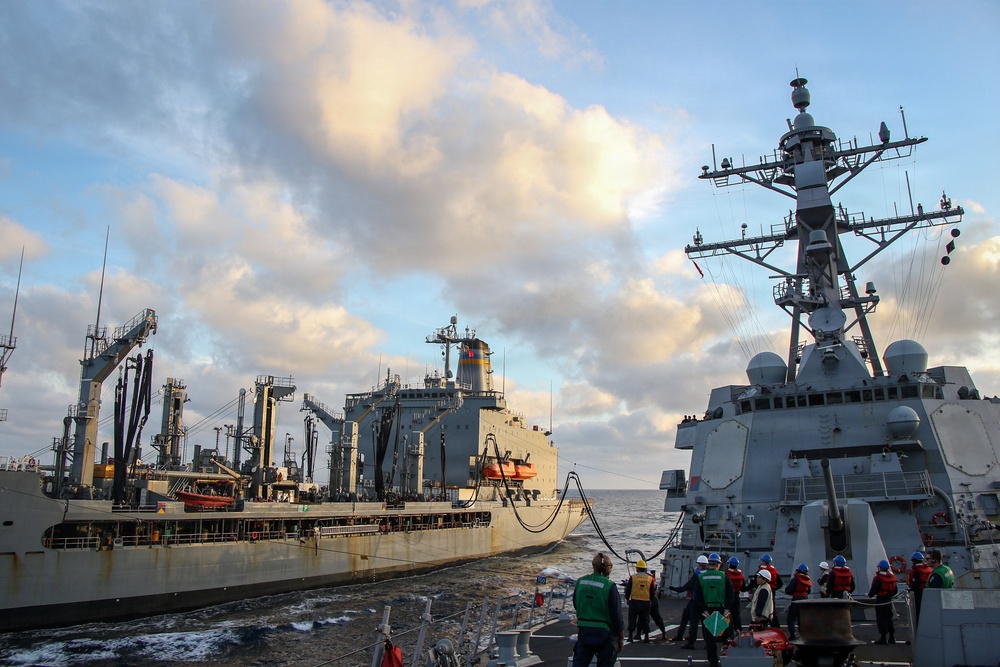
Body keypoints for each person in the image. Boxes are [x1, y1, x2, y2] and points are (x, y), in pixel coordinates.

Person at [571, 552, 624, 667]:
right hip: (604, 633)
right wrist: (621, 637)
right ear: (604, 567)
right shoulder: (609, 586)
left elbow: (576, 604)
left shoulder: (580, 582)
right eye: (610, 566)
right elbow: (616, 616)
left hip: (584, 632)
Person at [692, 553, 734, 667]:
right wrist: (727, 609)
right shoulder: (724, 576)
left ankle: (713, 662)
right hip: (722, 610)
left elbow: (697, 596)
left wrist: (704, 610)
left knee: (710, 639)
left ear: (708, 564)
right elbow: (730, 594)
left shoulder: (701, 577)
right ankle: (728, 659)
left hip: (708, 611)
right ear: (718, 564)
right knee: (727, 636)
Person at [669, 554, 708, 648]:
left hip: (695, 602)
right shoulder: (708, 575)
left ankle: (691, 642)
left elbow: (687, 586)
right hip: (706, 603)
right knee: (705, 623)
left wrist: (675, 589)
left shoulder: (697, 575)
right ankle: (707, 643)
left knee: (693, 623)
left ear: (699, 564)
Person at [867, 559, 897, 644]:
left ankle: (883, 637)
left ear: (880, 568)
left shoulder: (878, 579)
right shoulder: (892, 578)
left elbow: (872, 592)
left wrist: (870, 595)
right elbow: (895, 591)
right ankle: (892, 637)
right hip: (889, 600)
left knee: (881, 619)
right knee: (889, 618)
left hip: (881, 600)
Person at [625, 559, 653, 642]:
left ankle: (630, 637)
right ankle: (646, 637)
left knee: (632, 619)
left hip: (634, 601)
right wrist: (650, 600)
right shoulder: (650, 578)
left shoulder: (633, 577)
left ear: (637, 568)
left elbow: (628, 589)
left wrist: (627, 598)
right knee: (645, 619)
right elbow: (652, 591)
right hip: (645, 602)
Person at [783, 563, 812, 639]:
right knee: (801, 618)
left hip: (796, 600)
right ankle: (803, 634)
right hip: (805, 599)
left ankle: (793, 634)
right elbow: (809, 591)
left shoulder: (796, 579)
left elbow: (788, 590)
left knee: (791, 618)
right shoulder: (807, 579)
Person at [906, 552, 934, 624]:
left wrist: (910, 590)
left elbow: (915, 585)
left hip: (918, 593)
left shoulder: (916, 571)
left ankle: (918, 625)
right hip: (929, 592)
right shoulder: (930, 569)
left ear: (914, 561)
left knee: (918, 611)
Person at [724, 556, 745, 632]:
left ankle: (726, 632)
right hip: (736, 596)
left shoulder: (726, 574)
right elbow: (743, 587)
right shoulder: (740, 575)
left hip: (728, 596)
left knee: (726, 614)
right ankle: (738, 630)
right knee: (736, 614)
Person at [647, 569, 668, 640]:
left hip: (648, 599)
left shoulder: (640, 578)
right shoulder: (651, 578)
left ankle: (642, 634)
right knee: (657, 617)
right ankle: (663, 632)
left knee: (644, 617)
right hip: (654, 598)